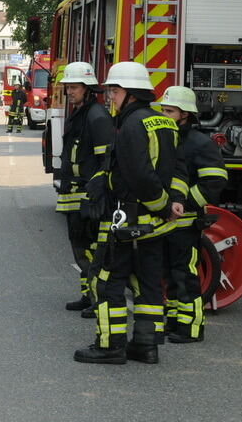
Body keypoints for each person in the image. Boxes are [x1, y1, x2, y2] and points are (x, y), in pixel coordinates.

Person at [75, 61, 182, 366]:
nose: (110, 96)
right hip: (156, 225)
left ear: (129, 93)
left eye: (114, 90)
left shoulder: (132, 125)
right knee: (149, 283)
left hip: (129, 218)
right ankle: (146, 346)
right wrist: (172, 202)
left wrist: (160, 204)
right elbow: (177, 169)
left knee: (107, 281)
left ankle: (110, 346)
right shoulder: (165, 122)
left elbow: (139, 174)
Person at [157, 86, 228, 344]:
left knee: (186, 275)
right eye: (163, 110)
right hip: (166, 220)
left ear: (185, 114)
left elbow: (215, 182)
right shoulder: (167, 137)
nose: (164, 115)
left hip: (185, 222)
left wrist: (184, 206)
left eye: (169, 110)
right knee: (170, 274)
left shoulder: (200, 144)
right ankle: (175, 322)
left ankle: (193, 328)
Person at [54, 62, 111, 314]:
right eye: (67, 87)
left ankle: (99, 300)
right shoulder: (79, 113)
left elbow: (106, 161)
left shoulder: (97, 117)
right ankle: (88, 296)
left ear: (88, 89)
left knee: (90, 249)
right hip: (73, 193)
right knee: (80, 247)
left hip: (87, 195)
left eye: (74, 87)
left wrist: (96, 195)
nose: (69, 92)